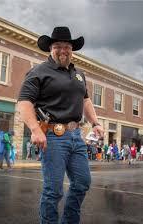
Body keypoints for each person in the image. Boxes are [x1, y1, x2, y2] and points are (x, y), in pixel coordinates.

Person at [18, 26, 104, 224]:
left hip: (76, 136)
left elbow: (86, 100)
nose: (63, 50)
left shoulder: (79, 74)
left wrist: (95, 123)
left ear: (72, 49)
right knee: (53, 190)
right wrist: (35, 129)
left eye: (67, 46)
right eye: (58, 46)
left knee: (82, 183)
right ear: (50, 48)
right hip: (53, 137)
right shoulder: (38, 72)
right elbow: (24, 102)